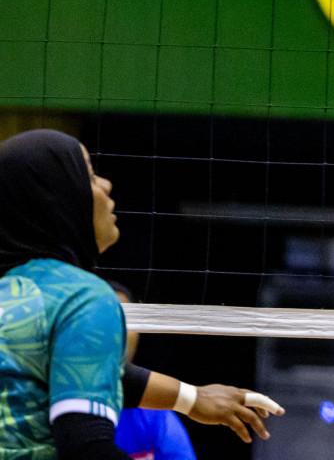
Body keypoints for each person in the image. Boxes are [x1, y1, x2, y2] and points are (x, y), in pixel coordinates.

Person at [0, 130, 283, 460]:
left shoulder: (15, 292)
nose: (106, 185)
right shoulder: (82, 298)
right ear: (61, 199)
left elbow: (85, 366)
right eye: (90, 176)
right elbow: (86, 449)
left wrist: (192, 398)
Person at [107, 284, 197, 460]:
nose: (120, 331)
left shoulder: (156, 414)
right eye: (108, 322)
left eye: (128, 321)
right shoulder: (53, 406)